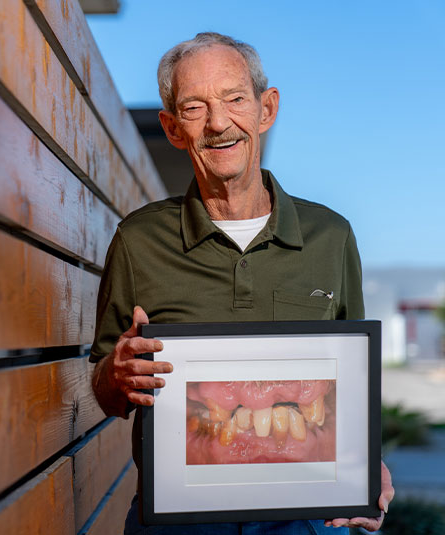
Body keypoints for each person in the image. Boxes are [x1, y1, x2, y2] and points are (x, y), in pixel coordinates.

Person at [90, 32, 394, 534]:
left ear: (265, 109)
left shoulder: (332, 237)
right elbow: (107, 393)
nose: (218, 123)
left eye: (234, 99)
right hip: (175, 523)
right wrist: (117, 375)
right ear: (171, 127)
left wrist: (367, 466)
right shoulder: (137, 241)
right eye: (194, 107)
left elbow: (353, 385)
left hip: (307, 520)